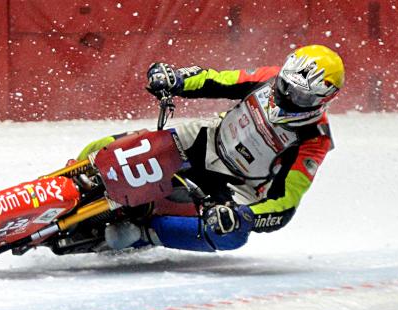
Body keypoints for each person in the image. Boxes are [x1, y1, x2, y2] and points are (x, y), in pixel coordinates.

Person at [78, 45, 344, 253]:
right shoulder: (267, 78)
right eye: (286, 86)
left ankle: (146, 233)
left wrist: (245, 216)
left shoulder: (315, 138)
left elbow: (285, 203)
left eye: (301, 96)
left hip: (238, 186)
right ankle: (73, 176)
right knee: (104, 146)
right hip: (205, 140)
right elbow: (217, 80)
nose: (286, 97)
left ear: (324, 99)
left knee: (231, 236)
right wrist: (176, 79)